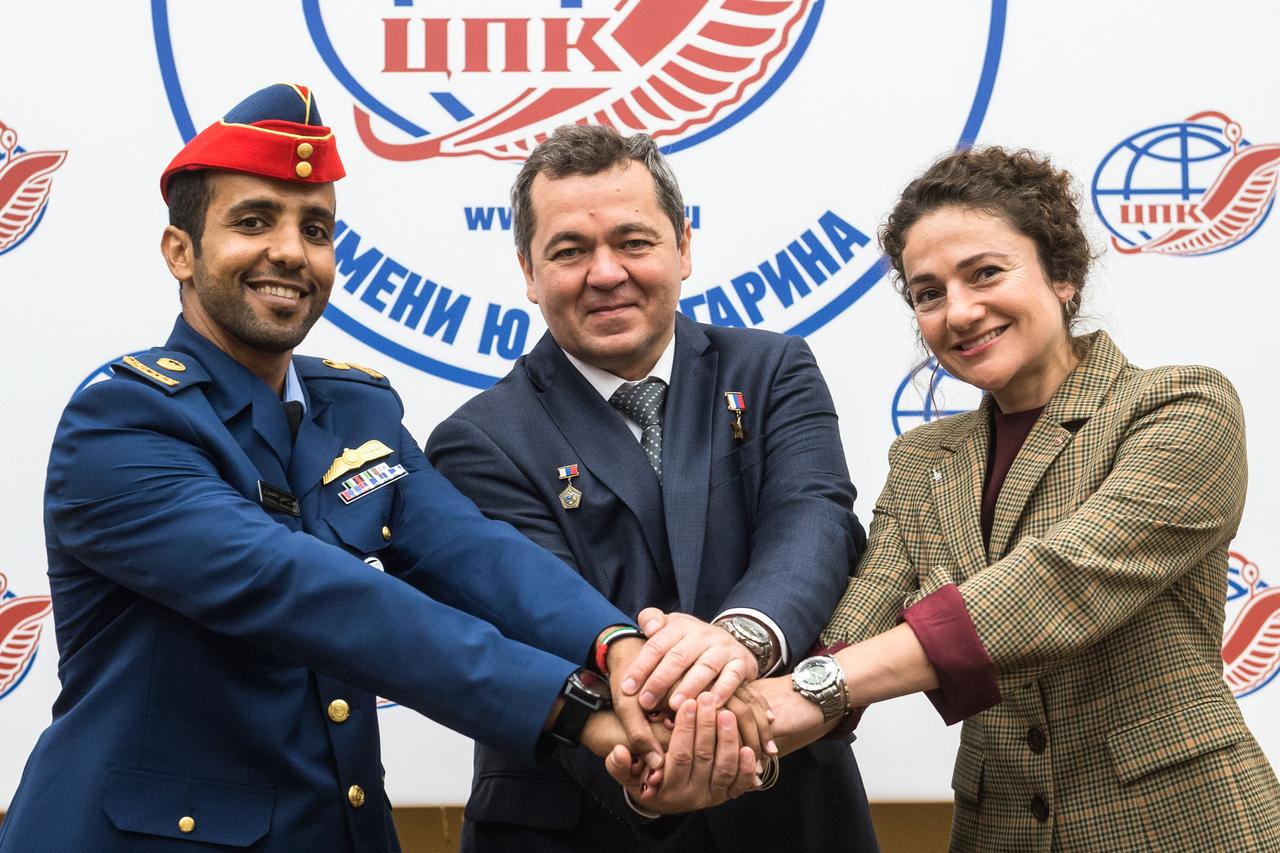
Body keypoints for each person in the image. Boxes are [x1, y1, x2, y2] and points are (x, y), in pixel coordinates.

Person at [0, 84, 751, 853]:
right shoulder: (123, 422)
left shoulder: (353, 410)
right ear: (180, 252)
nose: (290, 250)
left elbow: (473, 552)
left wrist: (615, 646)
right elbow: (307, 592)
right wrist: (574, 709)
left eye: (315, 228)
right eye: (253, 220)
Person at [730, 146, 1280, 851]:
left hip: (1181, 823)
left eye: (985, 273)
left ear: (1064, 275)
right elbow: (859, 616)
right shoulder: (923, 457)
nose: (958, 311)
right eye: (928, 293)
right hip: (1000, 828)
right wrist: (731, 709)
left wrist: (816, 687)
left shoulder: (1180, 405)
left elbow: (1061, 581)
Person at [425, 123, 877, 852]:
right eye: (569, 251)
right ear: (528, 273)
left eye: (633, 241)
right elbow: (538, 614)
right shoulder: (476, 440)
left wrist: (740, 640)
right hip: (587, 815)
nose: (605, 273)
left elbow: (813, 521)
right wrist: (662, 750)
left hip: (793, 813)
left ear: (683, 247)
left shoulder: (773, 371)